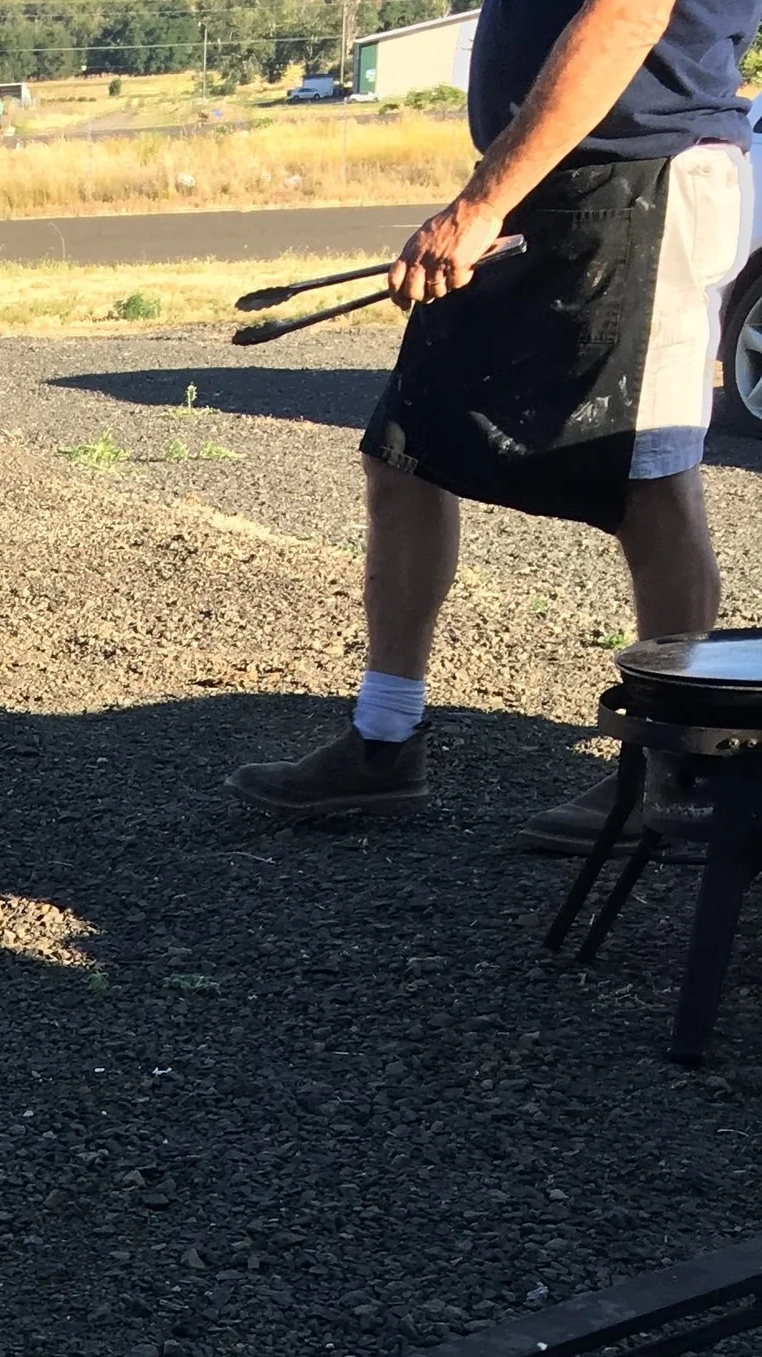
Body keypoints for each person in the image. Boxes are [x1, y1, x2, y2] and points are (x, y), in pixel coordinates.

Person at [227, 0, 758, 824]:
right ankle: (384, 742)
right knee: (408, 451)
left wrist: (478, 204)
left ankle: (674, 777)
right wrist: (497, 194)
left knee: (647, 477)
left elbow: (625, 16)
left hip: (646, 178)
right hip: (550, 182)